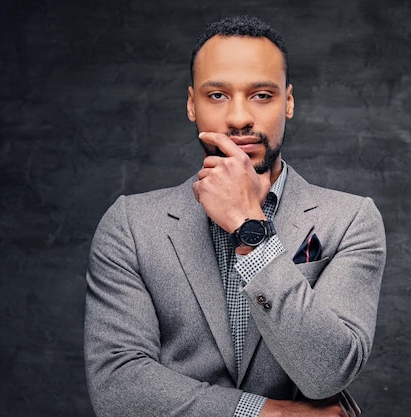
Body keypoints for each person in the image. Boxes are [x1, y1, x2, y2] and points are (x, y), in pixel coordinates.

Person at [84, 15, 386, 417]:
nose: (240, 118)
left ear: (289, 102)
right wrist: (269, 413)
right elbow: (117, 386)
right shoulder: (131, 225)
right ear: (192, 104)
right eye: (218, 95)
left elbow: (328, 372)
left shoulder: (351, 220)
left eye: (261, 95)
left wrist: (249, 224)